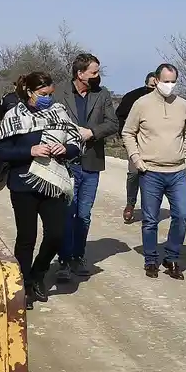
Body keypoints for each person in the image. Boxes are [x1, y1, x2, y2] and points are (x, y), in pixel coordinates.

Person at [0, 72, 83, 307]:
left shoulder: (59, 112)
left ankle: (38, 274)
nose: (48, 100)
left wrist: (65, 149)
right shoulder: (14, 116)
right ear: (30, 92)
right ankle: (24, 285)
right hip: (23, 184)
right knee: (27, 238)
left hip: (54, 183)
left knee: (56, 234)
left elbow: (76, 142)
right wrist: (30, 151)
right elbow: (1, 151)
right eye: (43, 95)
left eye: (50, 94)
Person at [123, 63, 186, 279]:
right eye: (166, 81)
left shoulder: (182, 104)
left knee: (181, 216)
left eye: (173, 81)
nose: (169, 85)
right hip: (150, 171)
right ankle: (151, 259)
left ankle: (171, 257)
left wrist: (185, 154)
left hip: (177, 171)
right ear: (156, 80)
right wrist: (136, 159)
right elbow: (128, 132)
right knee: (150, 219)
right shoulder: (142, 104)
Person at [59, 53, 120, 280]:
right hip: (65, 162)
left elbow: (113, 123)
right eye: (93, 72)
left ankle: (78, 256)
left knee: (83, 214)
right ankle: (63, 260)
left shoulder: (101, 94)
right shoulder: (60, 93)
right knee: (67, 213)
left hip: (91, 161)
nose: (97, 75)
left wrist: (92, 132)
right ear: (80, 73)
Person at [116, 72, 159, 223]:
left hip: (156, 144)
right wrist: (123, 134)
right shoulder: (132, 97)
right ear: (146, 83)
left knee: (152, 176)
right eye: (151, 86)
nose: (154, 89)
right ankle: (130, 204)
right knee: (134, 173)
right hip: (135, 142)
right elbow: (120, 115)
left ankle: (150, 208)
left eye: (157, 85)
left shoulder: (165, 100)